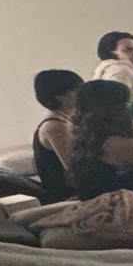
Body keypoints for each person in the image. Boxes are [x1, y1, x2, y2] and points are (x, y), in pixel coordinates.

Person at [66, 79, 133, 200]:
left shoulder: (86, 140)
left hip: (98, 207)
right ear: (120, 108)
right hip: (132, 208)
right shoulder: (126, 146)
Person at [30, 69, 82, 199]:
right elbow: (77, 171)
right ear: (59, 96)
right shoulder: (56, 126)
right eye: (77, 89)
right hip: (68, 197)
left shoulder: (66, 120)